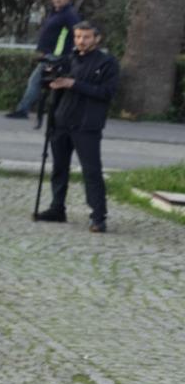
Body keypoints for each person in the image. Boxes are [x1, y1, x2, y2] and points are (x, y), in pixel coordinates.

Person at [38, 18, 120, 232]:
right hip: (62, 121)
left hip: (87, 125)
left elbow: (106, 93)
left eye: (85, 37)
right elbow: (55, 85)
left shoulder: (107, 63)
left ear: (97, 38)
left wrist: (75, 84)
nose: (81, 41)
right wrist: (50, 82)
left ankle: (98, 217)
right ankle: (57, 208)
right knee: (59, 168)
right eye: (77, 37)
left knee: (91, 171)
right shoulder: (68, 59)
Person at [7, 0, 85, 124]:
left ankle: (23, 110)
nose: (57, 0)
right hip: (48, 54)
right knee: (50, 84)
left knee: (36, 81)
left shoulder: (69, 15)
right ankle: (61, 112)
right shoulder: (54, 13)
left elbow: (77, 34)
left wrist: (72, 53)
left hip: (56, 56)